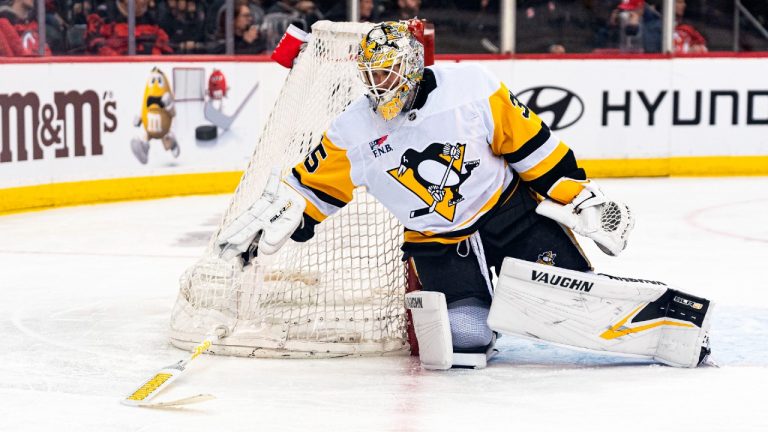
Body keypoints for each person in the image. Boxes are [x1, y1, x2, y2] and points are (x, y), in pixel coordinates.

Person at [215, 21, 713, 370]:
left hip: (511, 216)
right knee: (464, 342)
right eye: (368, 76)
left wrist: (579, 196)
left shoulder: (472, 87)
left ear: (409, 68)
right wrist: (288, 214)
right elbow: (318, 185)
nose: (375, 86)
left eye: (384, 75)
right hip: (437, 243)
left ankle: (671, 324)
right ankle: (477, 305)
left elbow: (532, 148)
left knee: (568, 297)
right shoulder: (353, 129)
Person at [85, 0, 173, 55]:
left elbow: (166, 47)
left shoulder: (154, 19)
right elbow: (95, 45)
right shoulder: (103, 17)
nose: (146, 1)